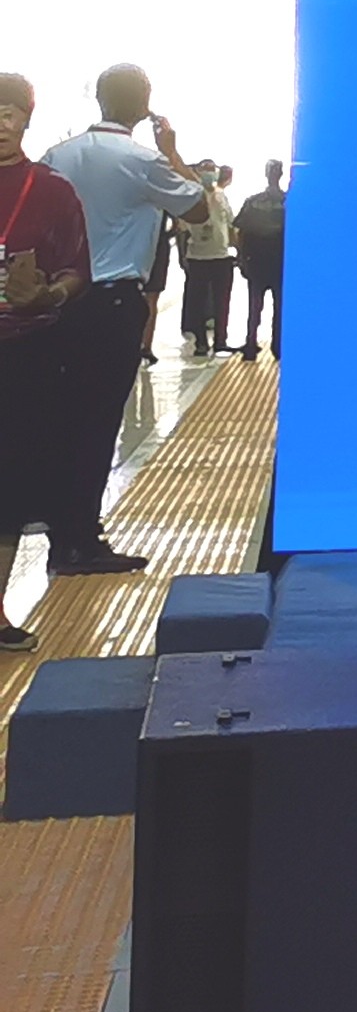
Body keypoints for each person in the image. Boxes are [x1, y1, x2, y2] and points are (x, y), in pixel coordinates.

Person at [37, 64, 207, 573]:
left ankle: (62, 536)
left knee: (62, 420)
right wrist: (171, 149)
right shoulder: (142, 160)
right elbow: (198, 209)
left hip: (59, 302)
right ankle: (81, 543)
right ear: (144, 105)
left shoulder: (57, 156)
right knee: (99, 420)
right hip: (112, 305)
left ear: (99, 99)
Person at [0, 73, 93, 651]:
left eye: (8, 112)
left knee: (8, 486)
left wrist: (48, 295)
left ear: (26, 120)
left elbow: (76, 271)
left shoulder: (53, 190)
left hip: (22, 356)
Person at [174, 162, 237, 356]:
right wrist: (182, 256)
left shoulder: (221, 196)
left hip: (221, 256)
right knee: (198, 302)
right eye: (206, 170)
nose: (209, 174)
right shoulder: (192, 197)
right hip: (197, 257)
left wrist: (237, 251)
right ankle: (201, 342)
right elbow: (181, 227)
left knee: (222, 301)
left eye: (212, 170)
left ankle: (221, 341)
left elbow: (230, 224)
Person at [231, 161, 285, 357]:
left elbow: (241, 232)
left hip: (257, 261)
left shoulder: (253, 202)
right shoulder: (289, 202)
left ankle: (250, 345)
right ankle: (277, 347)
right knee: (279, 307)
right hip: (279, 262)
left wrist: (241, 258)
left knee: (255, 306)